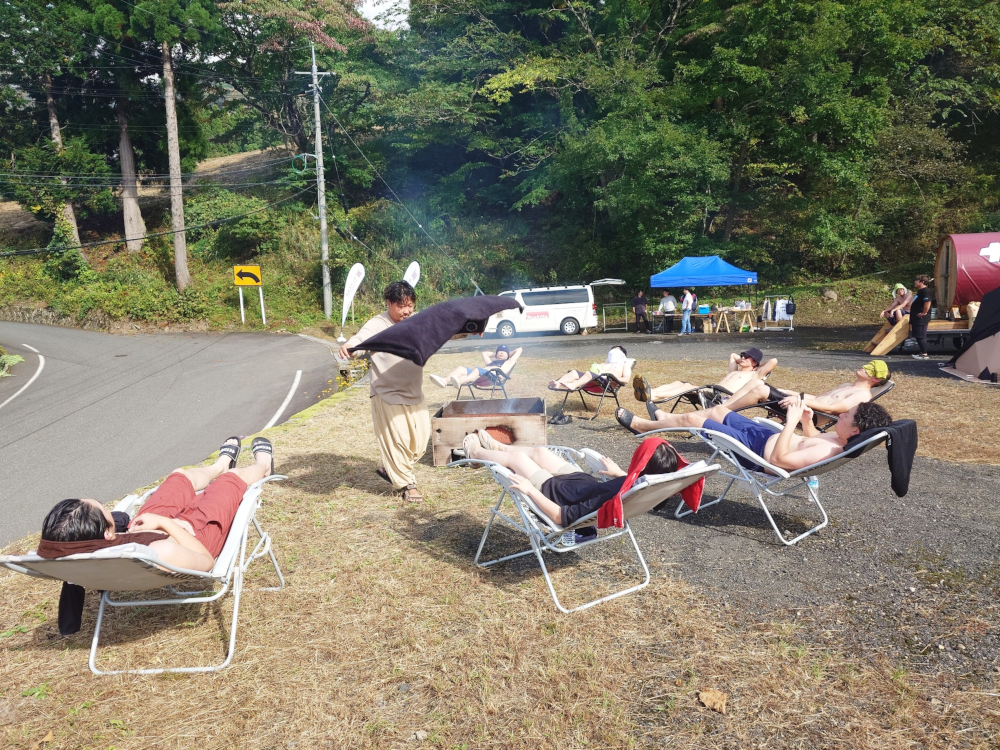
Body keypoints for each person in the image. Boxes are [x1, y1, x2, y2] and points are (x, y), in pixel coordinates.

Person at [39, 437, 275, 572]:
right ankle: (263, 465)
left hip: (141, 530)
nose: (108, 510)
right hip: (195, 538)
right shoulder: (160, 554)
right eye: (103, 508)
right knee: (230, 480)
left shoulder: (76, 548)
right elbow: (206, 561)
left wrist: (155, 523)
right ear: (108, 533)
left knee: (180, 476)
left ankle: (220, 465)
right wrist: (166, 523)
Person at [618, 394, 892, 472]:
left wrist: (790, 422)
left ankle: (642, 426)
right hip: (761, 436)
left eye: (846, 415)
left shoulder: (830, 450)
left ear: (856, 429)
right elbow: (809, 440)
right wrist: (806, 420)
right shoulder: (838, 438)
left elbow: (778, 461)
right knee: (717, 410)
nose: (840, 415)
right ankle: (666, 419)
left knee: (694, 419)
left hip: (755, 452)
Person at [460, 430, 680, 526]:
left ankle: (475, 453)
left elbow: (560, 517)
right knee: (540, 452)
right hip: (580, 484)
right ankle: (500, 448)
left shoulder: (610, 497)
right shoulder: (650, 488)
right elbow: (638, 484)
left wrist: (531, 490)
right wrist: (621, 475)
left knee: (517, 459)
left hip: (557, 493)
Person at [338, 281, 429, 502]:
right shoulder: (378, 324)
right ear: (389, 303)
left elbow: (443, 330)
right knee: (399, 440)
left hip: (413, 391)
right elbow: (361, 339)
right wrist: (350, 347)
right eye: (401, 306)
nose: (407, 311)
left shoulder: (416, 321)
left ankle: (388, 467)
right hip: (387, 392)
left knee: (419, 443)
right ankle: (408, 485)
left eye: (410, 305)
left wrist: (469, 329)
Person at [624, 359, 891, 432]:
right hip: (803, 405)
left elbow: (830, 408)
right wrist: (792, 393)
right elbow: (819, 397)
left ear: (876, 379)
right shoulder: (848, 384)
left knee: (760, 388)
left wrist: (798, 399)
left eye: (870, 369)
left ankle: (719, 410)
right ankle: (718, 410)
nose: (864, 367)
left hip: (809, 416)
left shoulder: (861, 397)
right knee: (758, 386)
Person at [633, 347, 778, 403]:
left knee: (687, 387)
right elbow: (732, 355)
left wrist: (756, 366)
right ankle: (651, 392)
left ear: (755, 362)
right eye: (743, 355)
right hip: (713, 390)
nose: (743, 358)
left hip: (721, 397)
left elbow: (773, 361)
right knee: (679, 383)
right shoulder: (734, 371)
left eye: (748, 357)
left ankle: (652, 395)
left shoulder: (754, 375)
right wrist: (743, 360)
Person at [428, 345, 523, 388]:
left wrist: (508, 354)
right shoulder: (491, 362)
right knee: (461, 369)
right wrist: (496, 354)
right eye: (500, 351)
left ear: (508, 355)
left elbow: (520, 349)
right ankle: (445, 381)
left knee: (477, 369)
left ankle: (460, 382)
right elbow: (484, 353)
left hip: (493, 378)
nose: (501, 352)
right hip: (482, 376)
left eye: (504, 352)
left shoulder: (508, 362)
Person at [548, 346, 632, 391]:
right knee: (574, 372)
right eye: (613, 349)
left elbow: (626, 379)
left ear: (622, 354)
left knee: (589, 374)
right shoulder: (604, 364)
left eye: (616, 349)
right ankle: (558, 383)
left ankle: (573, 385)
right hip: (592, 381)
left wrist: (611, 378)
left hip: (606, 384)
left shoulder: (624, 365)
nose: (613, 351)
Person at [909, 275, 932, 360]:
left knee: (921, 336)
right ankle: (922, 352)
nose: (915, 282)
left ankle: (924, 354)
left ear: (922, 282)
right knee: (918, 336)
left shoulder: (925, 291)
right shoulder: (920, 291)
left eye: (917, 280)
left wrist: (924, 312)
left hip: (921, 318)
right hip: (916, 317)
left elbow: (927, 302)